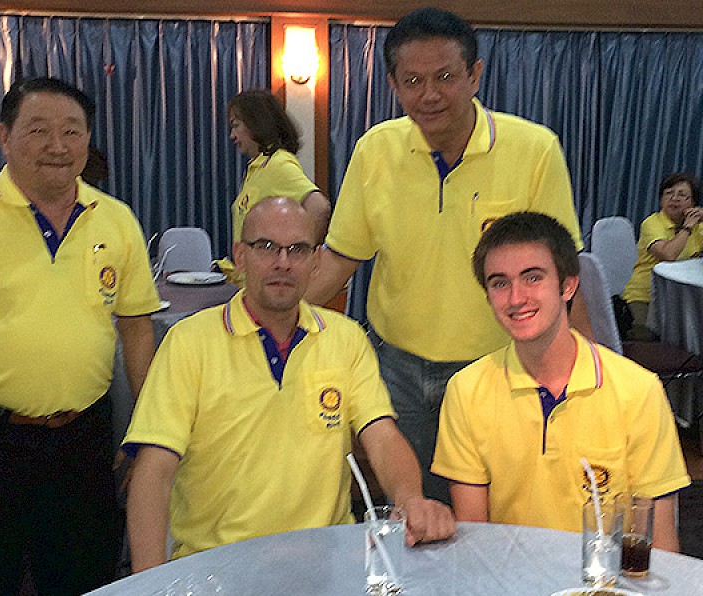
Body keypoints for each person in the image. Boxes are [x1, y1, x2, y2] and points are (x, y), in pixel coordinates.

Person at [305, 7, 583, 504]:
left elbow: (562, 276)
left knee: (499, 506)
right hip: (398, 369)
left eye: (445, 77)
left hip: (499, 366)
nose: (429, 94)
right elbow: (339, 260)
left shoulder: (533, 149)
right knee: (415, 508)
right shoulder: (375, 151)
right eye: (412, 81)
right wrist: (263, 315)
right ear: (394, 85)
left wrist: (587, 375)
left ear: (475, 75)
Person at [0, 77, 160, 594]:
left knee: (85, 581)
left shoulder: (116, 220)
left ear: (88, 139)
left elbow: (137, 333)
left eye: (72, 131)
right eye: (38, 129)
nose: (57, 145)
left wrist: (147, 440)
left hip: (84, 441)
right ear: (4, 136)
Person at [124, 197, 455, 571]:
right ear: (240, 256)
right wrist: (146, 584)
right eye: (266, 246)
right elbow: (155, 471)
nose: (282, 262)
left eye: (297, 250)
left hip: (328, 563)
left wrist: (409, 499)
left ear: (315, 262)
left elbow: (382, 437)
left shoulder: (345, 338)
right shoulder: (188, 343)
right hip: (217, 568)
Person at [432, 211, 690, 551]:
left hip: (604, 576)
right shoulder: (466, 390)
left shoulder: (638, 390)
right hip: (509, 576)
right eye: (500, 283)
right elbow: (476, 541)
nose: (516, 298)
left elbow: (660, 546)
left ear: (568, 286)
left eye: (532, 278)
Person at [228, 89, 331, 243]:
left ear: (256, 123)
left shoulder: (278, 164)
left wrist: (301, 252)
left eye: (236, 125)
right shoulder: (257, 168)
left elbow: (319, 207)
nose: (232, 135)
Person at [622, 172, 703, 339]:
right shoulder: (652, 223)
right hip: (645, 295)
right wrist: (687, 227)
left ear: (693, 203)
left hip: (682, 299)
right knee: (648, 340)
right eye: (668, 193)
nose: (674, 198)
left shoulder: (698, 226)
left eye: (682, 195)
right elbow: (668, 255)